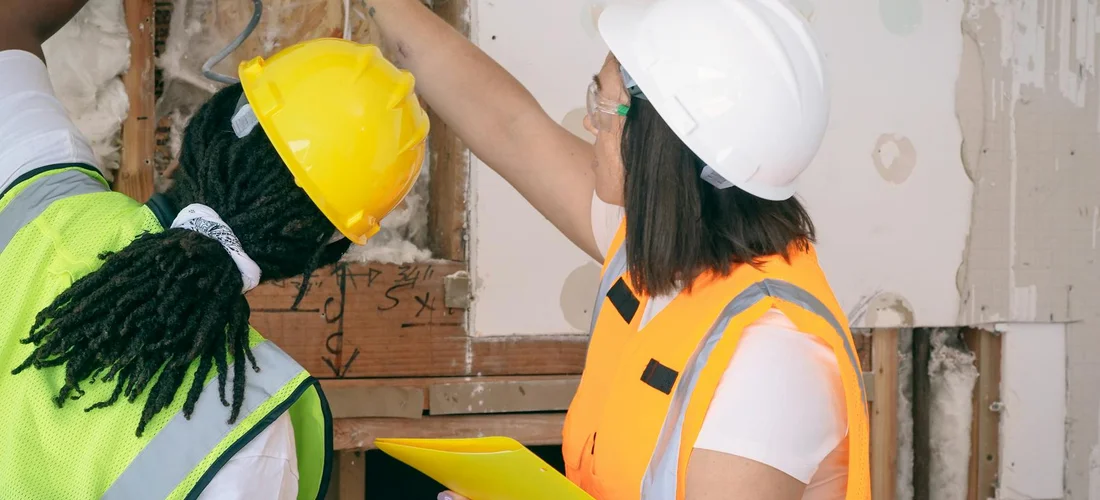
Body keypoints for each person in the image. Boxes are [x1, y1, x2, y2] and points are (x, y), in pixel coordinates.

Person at [366, 0, 870, 498]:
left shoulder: (770, 362)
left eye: (603, 104)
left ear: (660, 140)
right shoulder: (662, 249)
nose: (591, 123)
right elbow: (511, 127)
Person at [0, 1, 429, 498]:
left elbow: (8, 25)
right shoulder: (245, 430)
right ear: (328, 245)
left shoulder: (40, 193)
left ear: (215, 121)